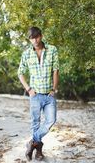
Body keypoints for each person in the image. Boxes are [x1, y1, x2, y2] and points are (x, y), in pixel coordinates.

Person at [18, 27, 59, 161]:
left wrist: (54, 89)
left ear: (41, 36)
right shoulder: (26, 54)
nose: (34, 40)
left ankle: (32, 142)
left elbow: (55, 71)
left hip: (49, 95)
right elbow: (20, 73)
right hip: (35, 95)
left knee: (51, 120)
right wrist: (29, 89)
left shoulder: (52, 50)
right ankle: (38, 152)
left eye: (36, 37)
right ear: (29, 39)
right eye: (31, 38)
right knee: (35, 123)